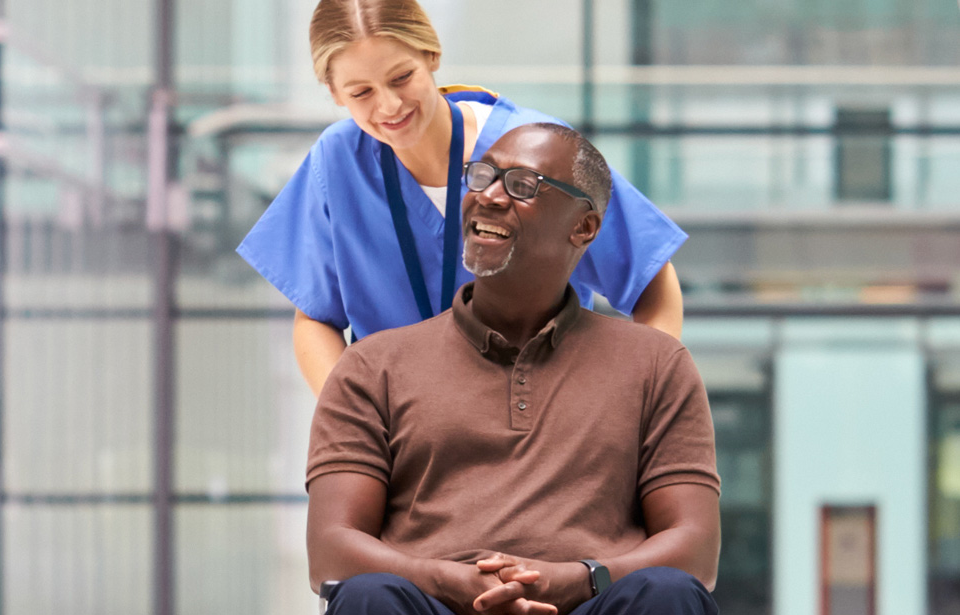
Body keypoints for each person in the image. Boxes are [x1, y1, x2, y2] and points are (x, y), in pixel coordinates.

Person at [306, 123, 720, 615]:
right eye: (481, 176)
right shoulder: (372, 366)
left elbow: (696, 549)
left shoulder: (656, 364)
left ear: (584, 227)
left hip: (590, 602)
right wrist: (444, 579)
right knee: (366, 597)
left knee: (669, 593)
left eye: (522, 185)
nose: (488, 196)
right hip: (432, 604)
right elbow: (330, 550)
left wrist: (576, 579)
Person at [236, 0, 689, 396]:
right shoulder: (336, 163)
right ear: (334, 93)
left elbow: (652, 282)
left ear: (431, 54)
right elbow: (316, 318)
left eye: (401, 77)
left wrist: (632, 401)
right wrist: (353, 420)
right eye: (361, 92)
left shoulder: (538, 150)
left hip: (538, 435)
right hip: (400, 442)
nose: (389, 106)